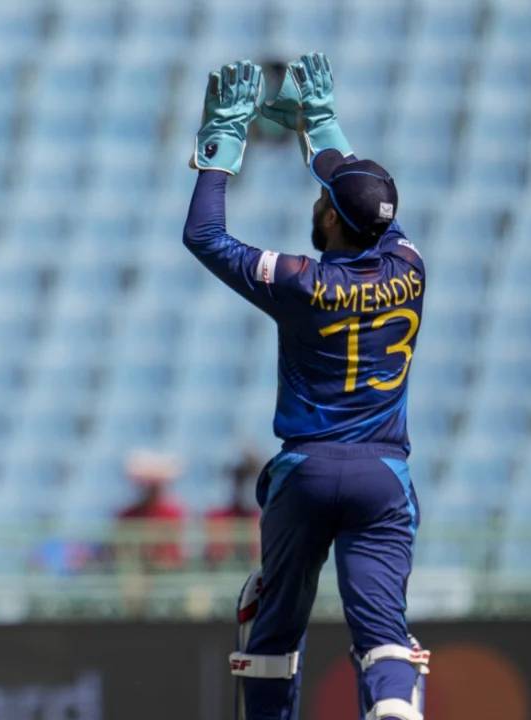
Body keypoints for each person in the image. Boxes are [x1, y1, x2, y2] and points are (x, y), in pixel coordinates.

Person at [184, 55, 429, 719]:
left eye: (323, 203)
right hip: (382, 475)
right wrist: (320, 123)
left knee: (273, 628)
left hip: (306, 473)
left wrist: (221, 146)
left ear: (333, 222)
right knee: (383, 634)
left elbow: (203, 235)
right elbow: (351, 187)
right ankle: (395, 707)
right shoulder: (409, 263)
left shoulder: (302, 283)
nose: (317, 202)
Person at [115, 449, 188, 572]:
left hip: (166, 570)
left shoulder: (173, 513)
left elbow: (172, 552)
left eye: (155, 485)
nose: (150, 489)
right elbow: (122, 551)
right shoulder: (128, 514)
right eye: (147, 485)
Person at [203, 450, 262, 568]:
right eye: (238, 478)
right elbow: (212, 561)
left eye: (247, 478)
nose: (243, 485)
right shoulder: (217, 517)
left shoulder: (262, 519)